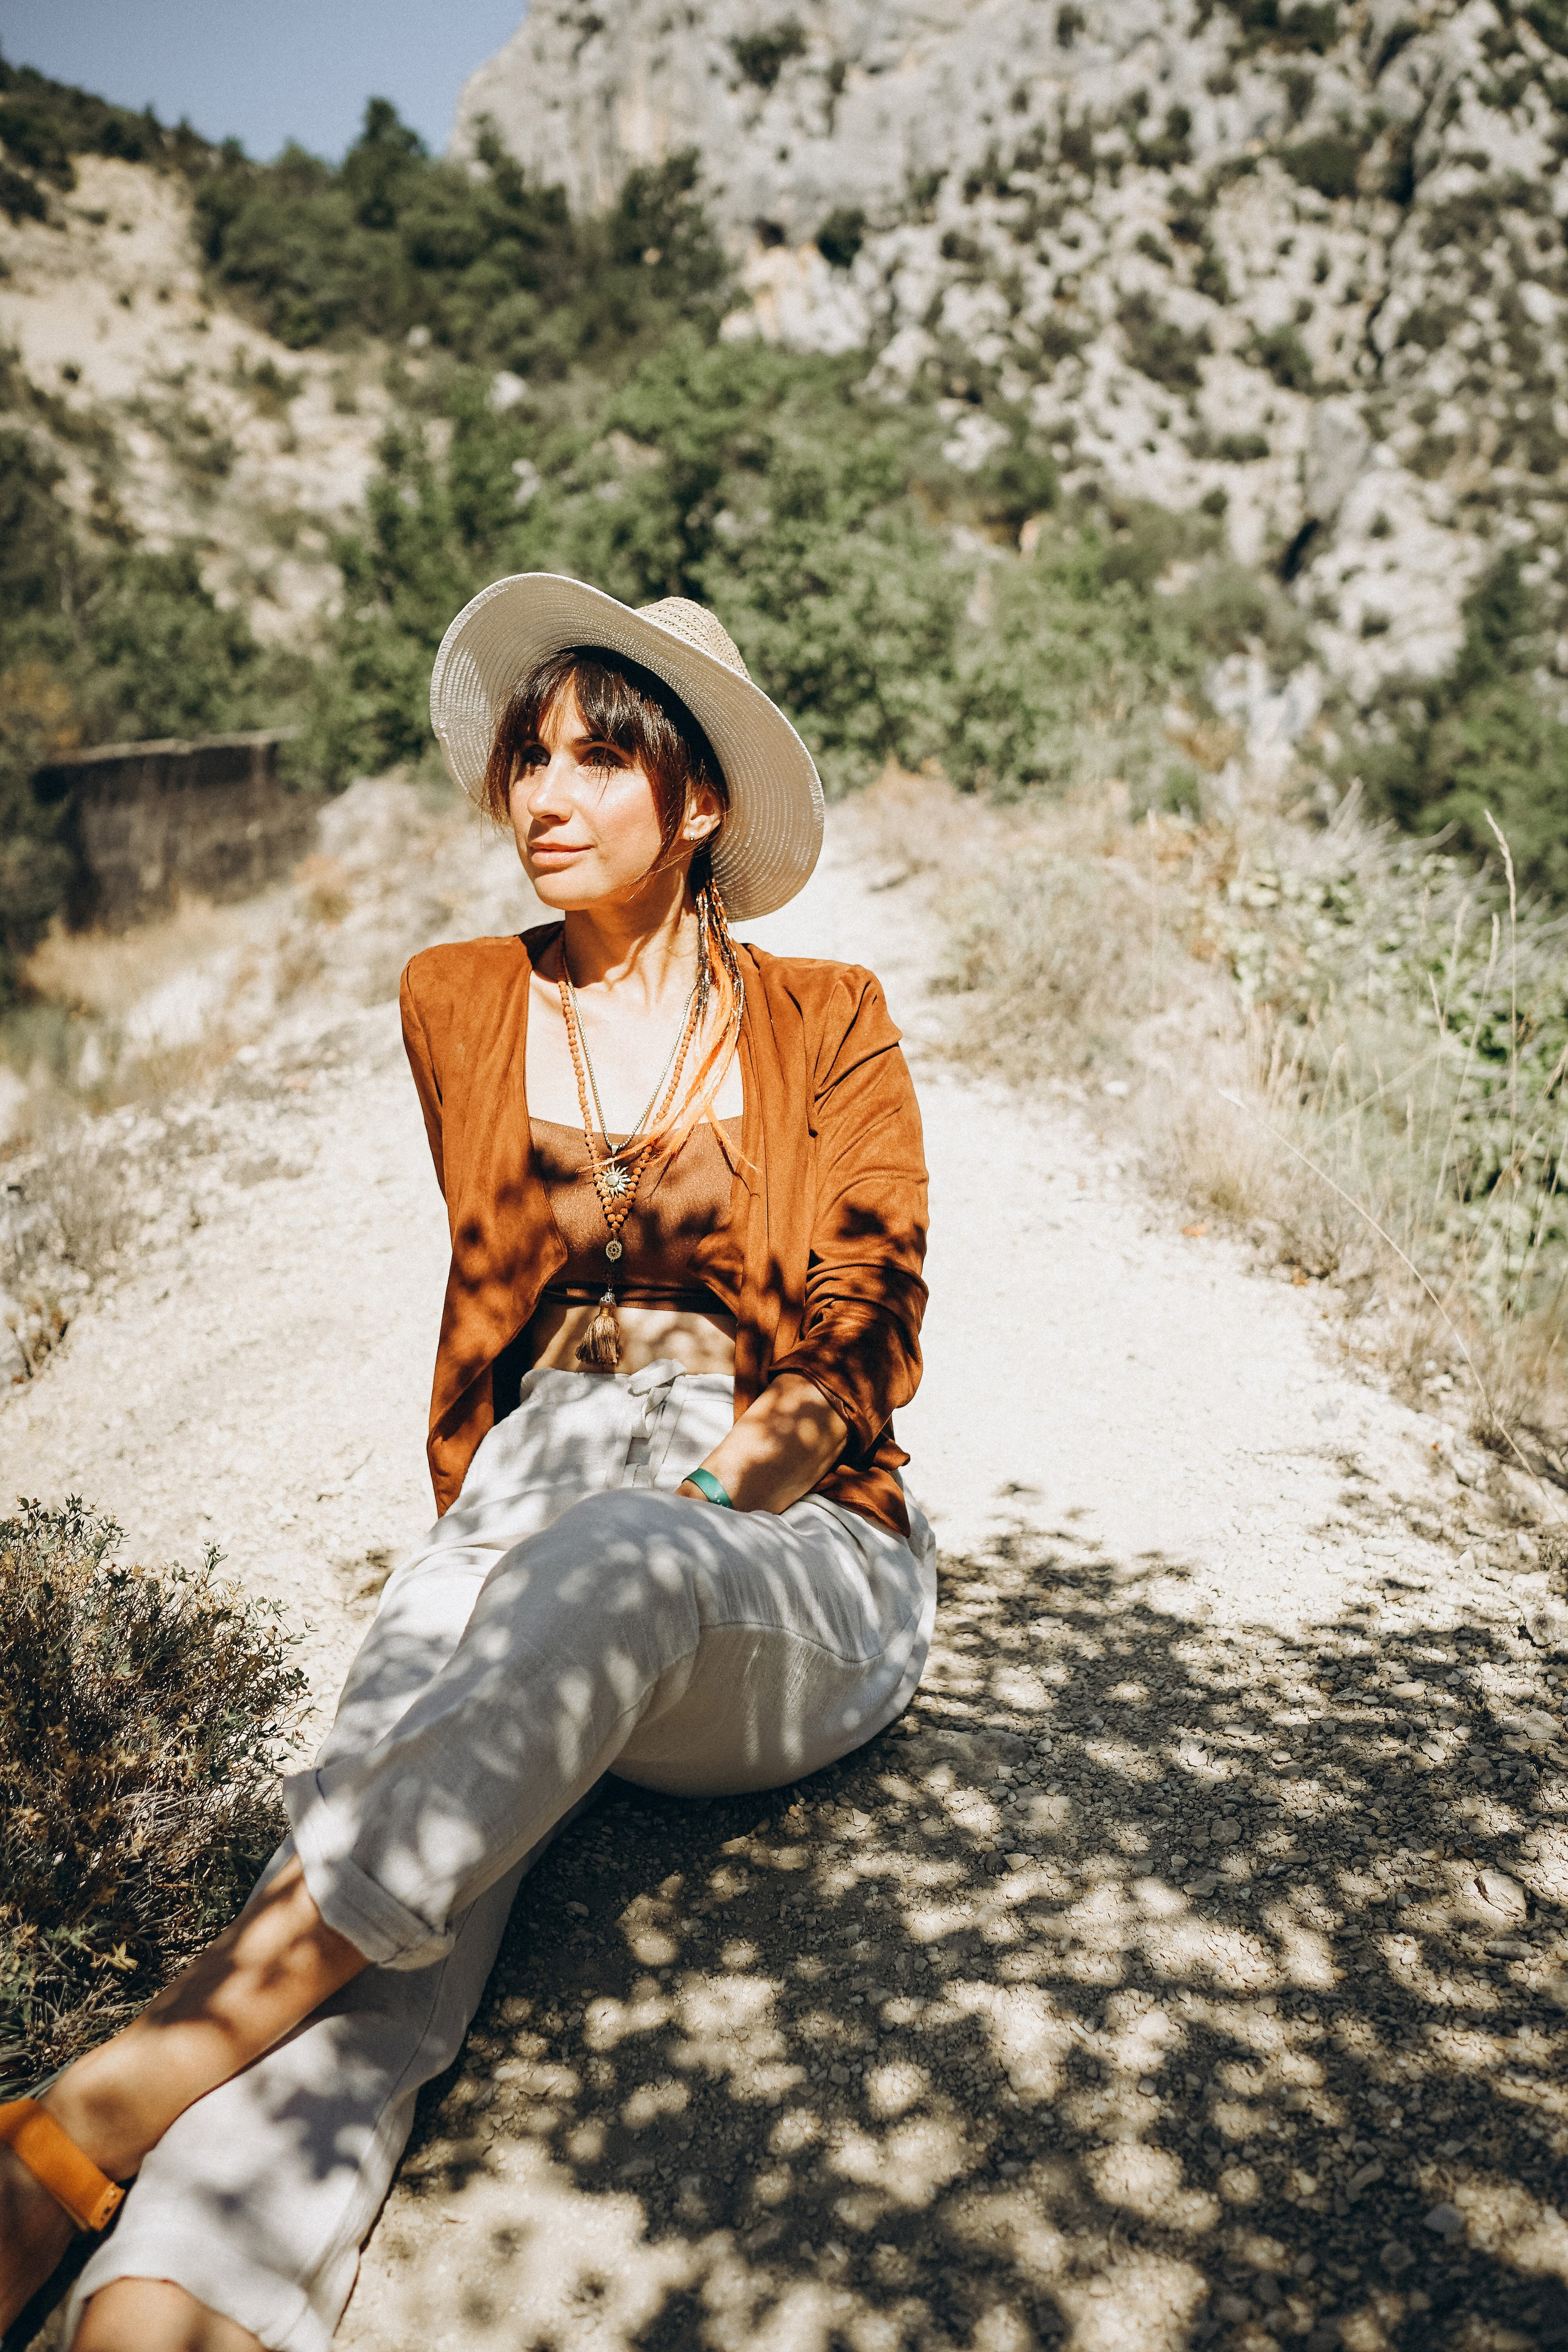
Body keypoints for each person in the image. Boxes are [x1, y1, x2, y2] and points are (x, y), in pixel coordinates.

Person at [0, 575, 934, 2352]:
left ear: (703, 802)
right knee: (389, 1802)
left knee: (609, 1575)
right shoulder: (459, 999)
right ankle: (169, 2300)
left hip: (783, 1532)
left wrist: (701, 1497)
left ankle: (99, 2102)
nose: (542, 795)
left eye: (599, 757)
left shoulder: (830, 1015)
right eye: (527, 755)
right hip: (530, 1473)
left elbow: (859, 1331)